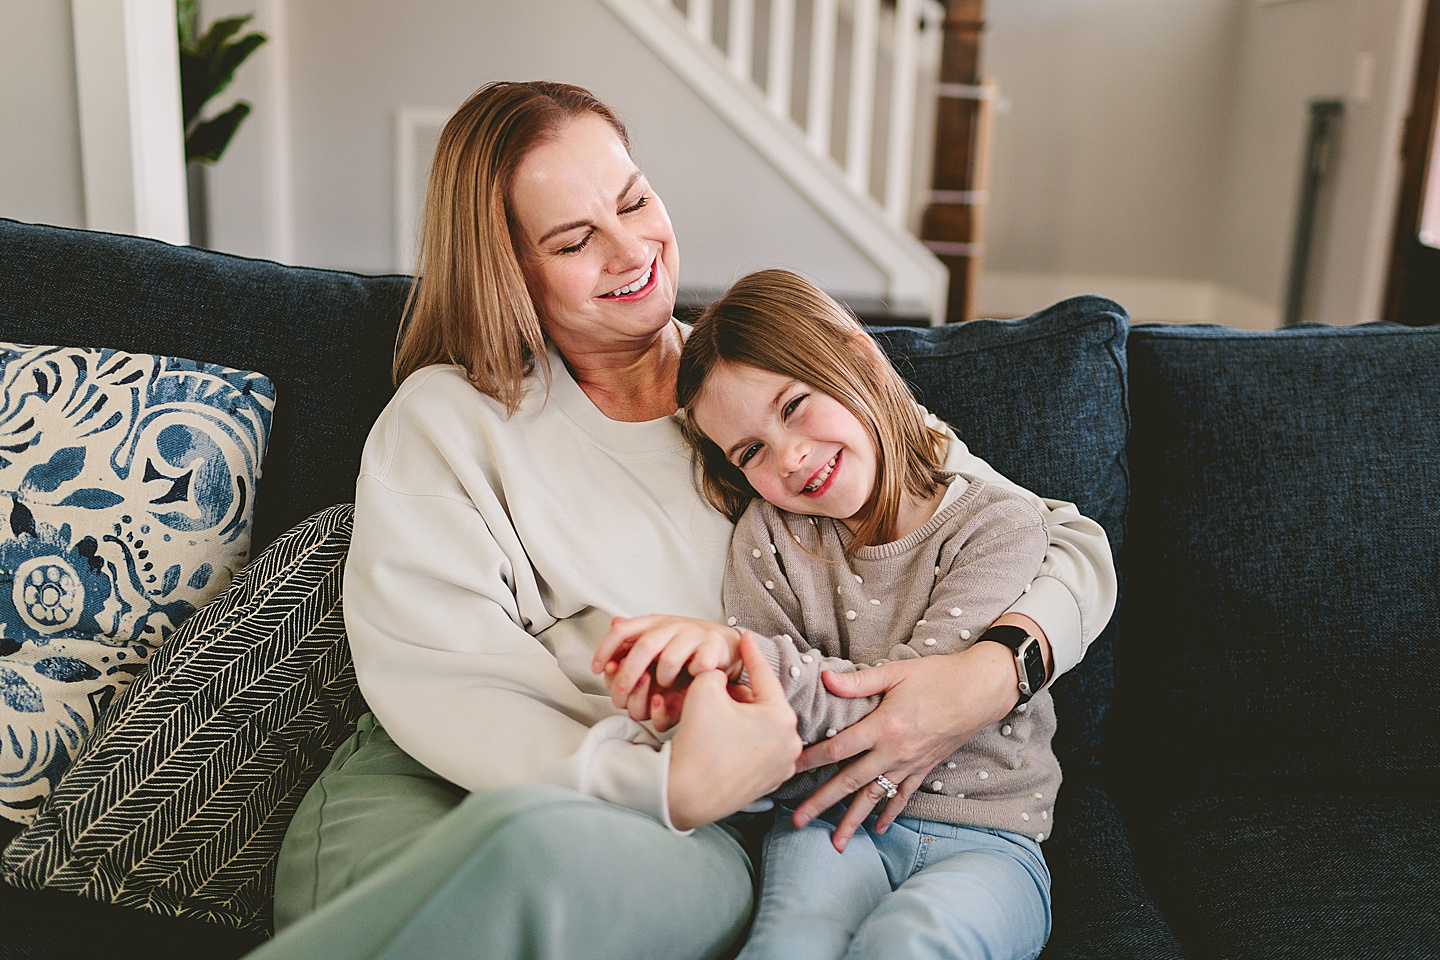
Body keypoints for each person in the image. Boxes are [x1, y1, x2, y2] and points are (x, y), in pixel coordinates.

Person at [244, 79, 1115, 960]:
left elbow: (1057, 535)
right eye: (575, 239)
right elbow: (444, 682)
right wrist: (657, 783)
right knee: (513, 853)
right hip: (450, 777)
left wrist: (998, 669)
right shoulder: (450, 418)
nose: (633, 250)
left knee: (547, 857)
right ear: (509, 270)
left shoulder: (763, 385)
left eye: (634, 201)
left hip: (699, 820)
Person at [595, 269, 1058, 960]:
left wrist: (730, 654)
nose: (791, 458)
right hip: (826, 825)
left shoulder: (997, 525)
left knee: (910, 944)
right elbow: (765, 720)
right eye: (750, 451)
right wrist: (718, 685)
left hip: (987, 838)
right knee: (788, 945)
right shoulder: (769, 539)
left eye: (794, 406)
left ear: (861, 360)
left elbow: (901, 703)